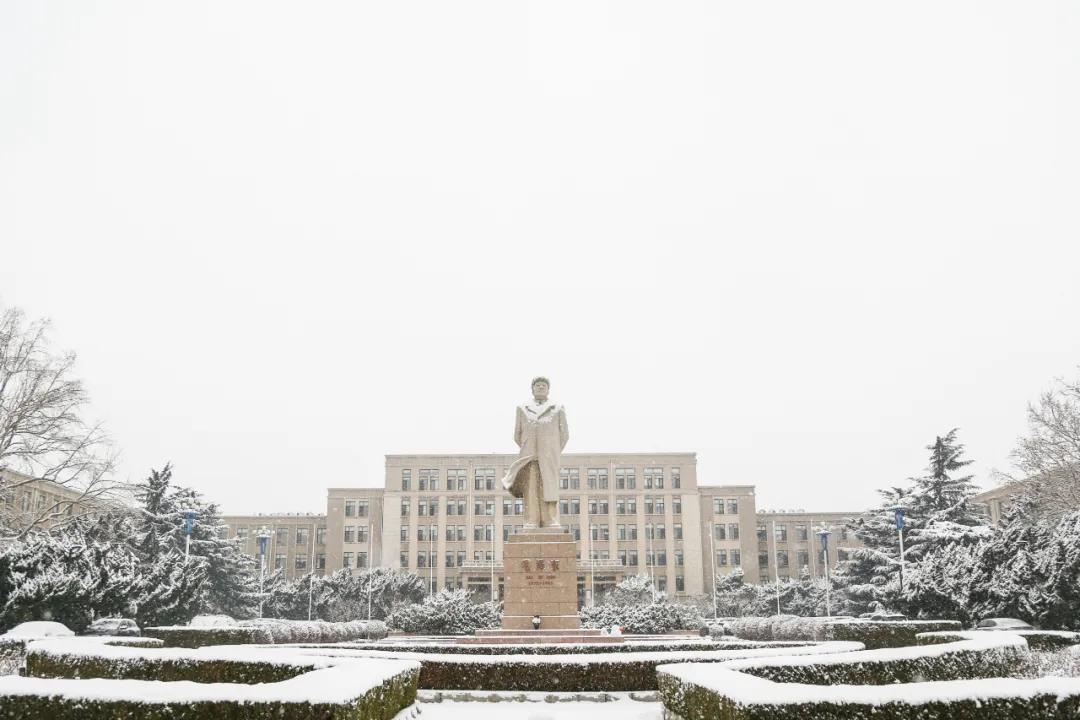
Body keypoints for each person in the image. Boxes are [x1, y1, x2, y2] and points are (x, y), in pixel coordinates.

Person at [501, 377, 569, 528]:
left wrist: (552, 450)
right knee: (531, 488)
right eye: (537, 385)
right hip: (529, 454)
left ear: (548, 389)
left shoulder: (557, 408)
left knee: (548, 488)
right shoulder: (522, 408)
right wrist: (530, 445)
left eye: (543, 385)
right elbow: (517, 434)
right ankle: (531, 520)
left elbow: (564, 435)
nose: (540, 387)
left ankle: (550, 520)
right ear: (532, 389)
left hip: (549, 456)